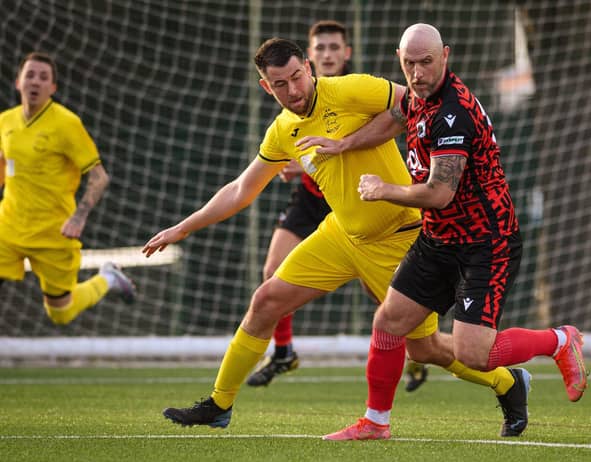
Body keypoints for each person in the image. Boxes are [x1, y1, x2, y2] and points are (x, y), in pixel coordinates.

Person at [143, 37, 530, 438]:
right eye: (280, 84)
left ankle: (507, 382)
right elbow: (241, 189)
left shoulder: (349, 88)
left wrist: (352, 144)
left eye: (297, 77)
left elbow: (410, 106)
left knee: (425, 349)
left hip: (397, 238)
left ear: (309, 68)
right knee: (265, 299)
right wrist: (182, 228)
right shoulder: (282, 131)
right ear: (266, 87)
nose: (293, 90)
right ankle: (219, 404)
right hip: (342, 235)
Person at [296, 24, 588, 441]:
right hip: (439, 240)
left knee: (475, 353)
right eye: (409, 63)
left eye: (426, 62)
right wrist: (344, 145)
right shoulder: (417, 95)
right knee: (389, 323)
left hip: (486, 241)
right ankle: (376, 423)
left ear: (445, 56)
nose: (416, 73)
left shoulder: (455, 112)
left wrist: (384, 190)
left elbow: (440, 193)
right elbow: (395, 118)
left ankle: (559, 340)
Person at [246, 20, 429, 393]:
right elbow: (286, 151)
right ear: (310, 54)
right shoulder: (290, 98)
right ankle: (282, 351)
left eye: (334, 48)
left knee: (384, 297)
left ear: (344, 54)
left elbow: (403, 109)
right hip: (317, 198)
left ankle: (415, 352)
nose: (327, 54)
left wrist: (338, 147)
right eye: (320, 48)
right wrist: (292, 165)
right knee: (272, 271)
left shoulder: (352, 89)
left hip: (365, 201)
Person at [0, 52, 135, 326]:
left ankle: (107, 278)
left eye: (43, 77)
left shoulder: (66, 124)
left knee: (60, 313)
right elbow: (5, 164)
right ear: (18, 82)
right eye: (30, 75)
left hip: (54, 232)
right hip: (8, 228)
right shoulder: (5, 121)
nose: (35, 81)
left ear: (53, 88)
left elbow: (99, 177)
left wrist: (78, 216)